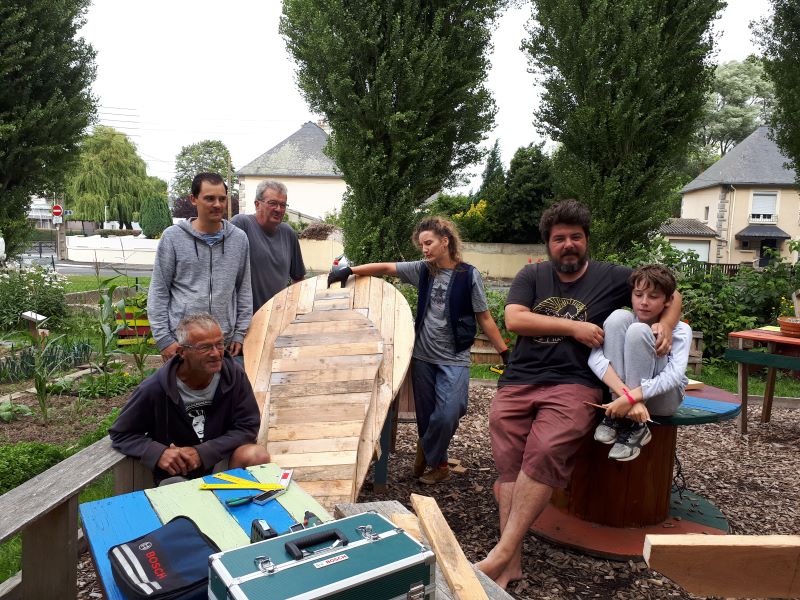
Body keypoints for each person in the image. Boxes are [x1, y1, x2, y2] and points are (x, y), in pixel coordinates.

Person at [477, 199, 682, 588]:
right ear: (548, 244)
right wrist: (574, 328)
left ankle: (500, 554)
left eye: (575, 237)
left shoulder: (612, 276)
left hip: (573, 383)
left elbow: (669, 292)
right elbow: (514, 319)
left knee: (544, 452)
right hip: (519, 379)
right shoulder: (532, 275)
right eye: (559, 239)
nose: (568, 244)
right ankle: (511, 561)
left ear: (586, 240)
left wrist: (668, 325)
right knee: (509, 467)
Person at [328, 216, 509, 485]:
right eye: (422, 244)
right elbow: (387, 267)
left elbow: (484, 317)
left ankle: (426, 448)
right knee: (425, 415)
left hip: (455, 357)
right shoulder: (423, 270)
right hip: (423, 355)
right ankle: (440, 465)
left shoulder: (468, 275)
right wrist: (349, 271)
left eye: (429, 243)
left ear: (445, 241)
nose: (424, 249)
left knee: (450, 412)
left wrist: (504, 352)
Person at [110, 313, 269, 484]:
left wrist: (203, 452)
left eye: (219, 344)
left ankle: (233, 497)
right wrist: (158, 453)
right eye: (205, 347)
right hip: (178, 471)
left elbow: (248, 426)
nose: (216, 353)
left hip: (221, 461)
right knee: (174, 486)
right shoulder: (155, 388)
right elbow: (121, 433)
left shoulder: (233, 376)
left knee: (256, 455)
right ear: (182, 352)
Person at [589, 264, 691, 461]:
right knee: (618, 317)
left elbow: (674, 376)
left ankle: (633, 424)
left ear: (668, 301)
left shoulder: (679, 330)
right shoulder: (626, 321)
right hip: (622, 396)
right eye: (638, 295)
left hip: (664, 399)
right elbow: (595, 358)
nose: (644, 302)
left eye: (653, 297)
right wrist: (625, 396)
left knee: (639, 331)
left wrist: (630, 398)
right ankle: (622, 417)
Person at [148, 172, 252, 362]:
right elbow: (159, 290)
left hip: (224, 344)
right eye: (210, 198)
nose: (217, 204)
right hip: (183, 345)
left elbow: (244, 290)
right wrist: (164, 340)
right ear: (194, 199)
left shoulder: (239, 239)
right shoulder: (172, 237)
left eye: (222, 199)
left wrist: (239, 333)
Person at [231, 180, 306, 313]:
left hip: (277, 317)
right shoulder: (242, 225)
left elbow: (299, 279)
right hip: (245, 318)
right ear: (257, 204)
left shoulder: (288, 233)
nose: (278, 209)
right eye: (273, 203)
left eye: (283, 205)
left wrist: (293, 309)